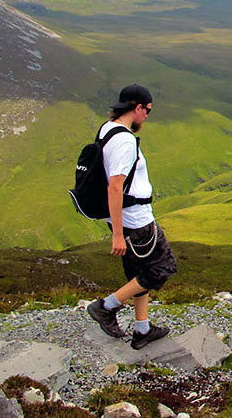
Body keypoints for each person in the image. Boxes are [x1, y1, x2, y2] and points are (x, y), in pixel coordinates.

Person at [86, 84, 176, 349]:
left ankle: (142, 329)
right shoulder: (125, 140)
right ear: (137, 107)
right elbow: (114, 186)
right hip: (136, 220)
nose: (147, 116)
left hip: (123, 218)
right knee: (162, 268)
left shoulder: (107, 129)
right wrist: (117, 234)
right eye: (147, 111)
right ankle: (106, 306)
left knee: (139, 274)